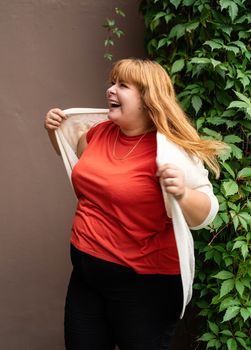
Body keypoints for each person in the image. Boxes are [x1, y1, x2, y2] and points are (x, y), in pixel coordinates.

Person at [44, 58, 224, 350]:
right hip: (86, 280)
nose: (111, 91)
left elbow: (206, 214)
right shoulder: (99, 133)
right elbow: (79, 164)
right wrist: (54, 133)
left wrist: (182, 193)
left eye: (123, 86)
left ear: (147, 99)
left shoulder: (171, 152)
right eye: (112, 83)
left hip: (143, 289)